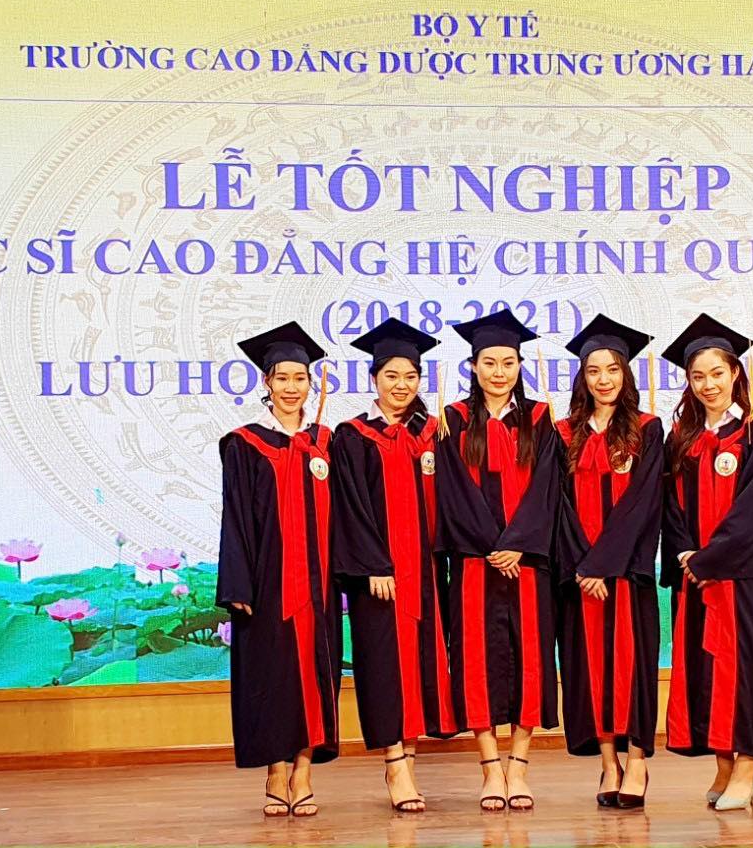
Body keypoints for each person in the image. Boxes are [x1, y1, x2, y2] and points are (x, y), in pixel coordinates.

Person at [434, 309, 563, 811]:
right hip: (474, 564)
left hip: (527, 564)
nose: (499, 372)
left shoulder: (541, 420)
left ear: (519, 366)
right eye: (489, 362)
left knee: (531, 658)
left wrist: (519, 544)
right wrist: (493, 546)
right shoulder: (453, 420)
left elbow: (547, 488)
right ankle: (490, 768)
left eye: (508, 362)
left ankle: (519, 766)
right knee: (476, 661)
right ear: (473, 366)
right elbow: (453, 492)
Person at [331, 319, 457, 813]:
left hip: (426, 573)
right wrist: (373, 565)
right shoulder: (353, 437)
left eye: (410, 376)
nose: (401, 385)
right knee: (385, 666)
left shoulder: (434, 432)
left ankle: (410, 759)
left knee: (421, 663)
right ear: (374, 379)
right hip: (380, 578)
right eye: (391, 376)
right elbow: (350, 508)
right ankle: (394, 764)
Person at [216, 321, 341, 818]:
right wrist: (238, 584)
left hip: (320, 584)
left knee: (315, 674)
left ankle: (304, 772)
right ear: (266, 382)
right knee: (273, 675)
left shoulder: (326, 443)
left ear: (311, 384)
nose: (292, 387)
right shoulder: (245, 444)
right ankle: (274, 770)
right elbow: (235, 518)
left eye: (300, 378)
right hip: (269, 582)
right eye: (282, 378)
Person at [659, 314, 753, 811]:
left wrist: (710, 559)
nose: (708, 384)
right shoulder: (682, 439)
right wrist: (685, 553)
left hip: (738, 578)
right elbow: (669, 506)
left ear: (735, 373)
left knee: (743, 669)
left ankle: (747, 768)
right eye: (697, 376)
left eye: (716, 373)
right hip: (695, 577)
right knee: (707, 669)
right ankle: (723, 765)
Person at [556, 315, 665, 809]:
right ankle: (608, 763)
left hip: (626, 573)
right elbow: (558, 508)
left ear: (626, 374)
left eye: (613, 369)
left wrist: (603, 564)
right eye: (594, 370)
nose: (603, 379)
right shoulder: (563, 434)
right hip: (582, 578)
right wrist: (583, 567)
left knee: (633, 666)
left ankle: (637, 761)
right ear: (582, 377)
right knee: (590, 668)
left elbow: (643, 504)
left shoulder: (647, 430)